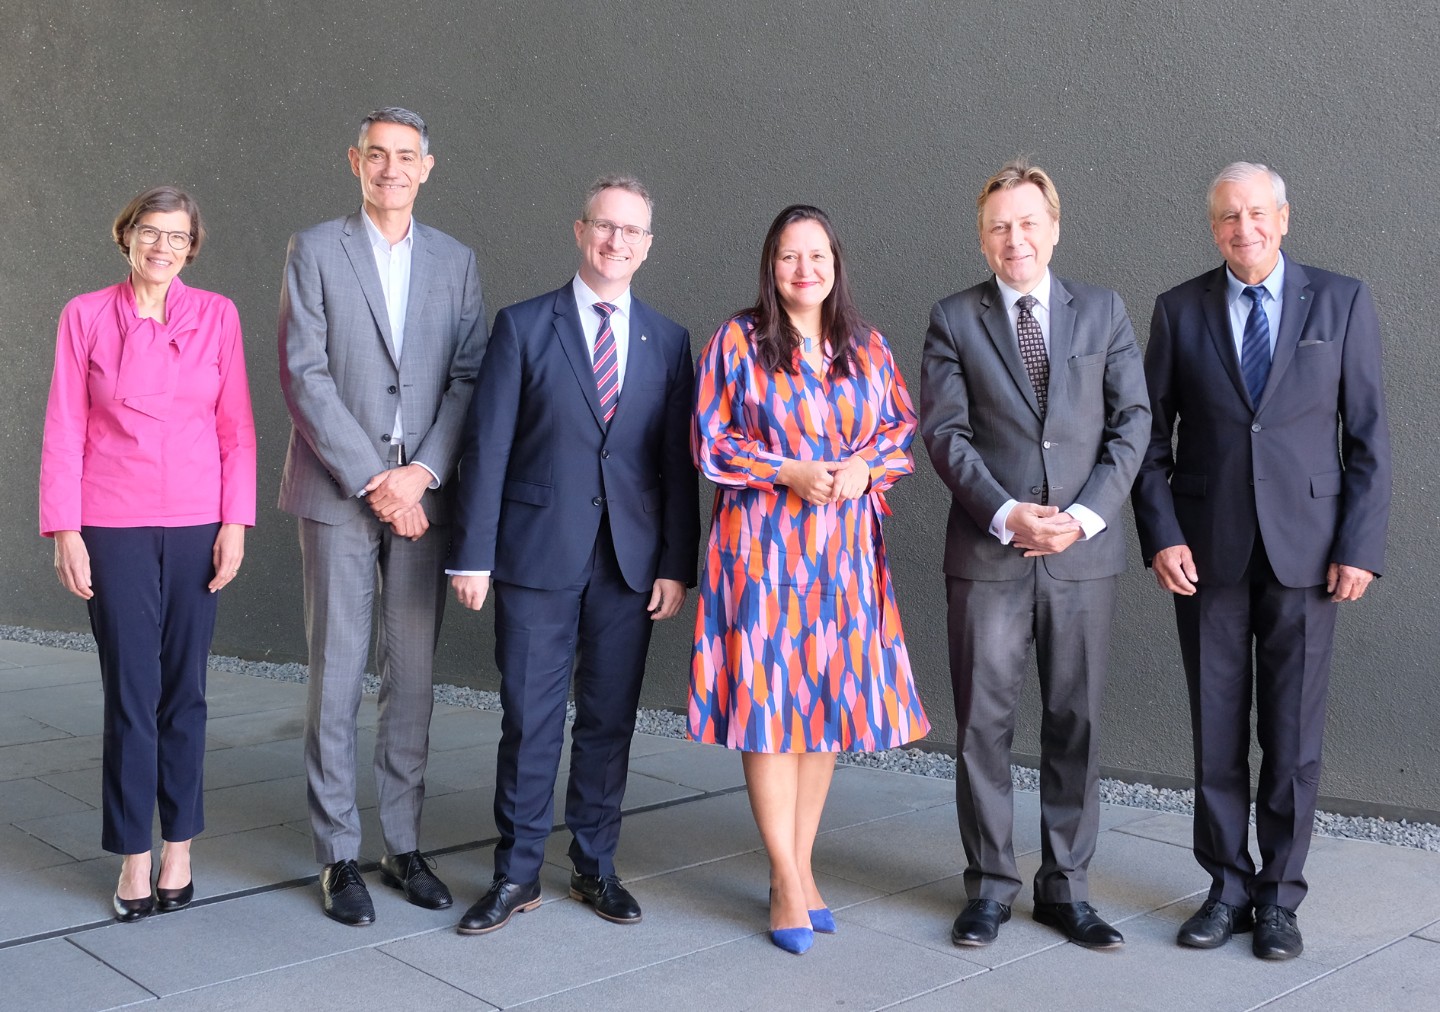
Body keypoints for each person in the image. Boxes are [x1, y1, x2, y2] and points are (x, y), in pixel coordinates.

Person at [1131, 162, 1391, 960]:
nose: (1242, 228)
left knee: (1292, 733)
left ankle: (1279, 896)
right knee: (1215, 731)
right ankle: (1227, 888)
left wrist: (1358, 547)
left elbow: (1368, 440)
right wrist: (1162, 534)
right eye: (1226, 217)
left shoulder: (1341, 301)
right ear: (1212, 227)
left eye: (1255, 213)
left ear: (1283, 217)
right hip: (1206, 557)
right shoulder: (1179, 310)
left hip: (1310, 558)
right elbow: (1146, 441)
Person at [447, 175, 698, 935]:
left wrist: (675, 562)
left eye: (631, 232)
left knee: (609, 720)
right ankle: (516, 874)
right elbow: (486, 447)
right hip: (533, 559)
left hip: (629, 564)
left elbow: (674, 464)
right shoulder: (524, 326)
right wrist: (472, 556)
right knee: (529, 720)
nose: (615, 241)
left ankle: (595, 866)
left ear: (648, 246)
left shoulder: (669, 339)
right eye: (604, 226)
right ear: (580, 230)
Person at [920, 161, 1150, 950]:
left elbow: (1134, 425)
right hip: (989, 555)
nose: (1013, 238)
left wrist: (1082, 517)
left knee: (1074, 721)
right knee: (983, 725)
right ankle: (987, 887)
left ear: (1053, 226)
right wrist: (1010, 513)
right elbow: (945, 436)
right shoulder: (954, 318)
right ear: (981, 240)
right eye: (997, 227)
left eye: (1026, 223)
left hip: (1083, 556)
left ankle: (1066, 889)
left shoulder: (1106, 311)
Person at [690, 204, 930, 955]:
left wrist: (864, 467)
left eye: (817, 256)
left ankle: (797, 864)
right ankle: (788, 880)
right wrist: (784, 469)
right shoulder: (737, 340)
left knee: (823, 709)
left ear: (835, 264)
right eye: (790, 257)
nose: (804, 269)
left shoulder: (866, 346)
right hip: (763, 552)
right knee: (769, 710)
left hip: (845, 557)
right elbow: (709, 438)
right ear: (771, 265)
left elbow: (900, 430)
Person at [277, 107, 488, 926]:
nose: (391, 168)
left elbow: (469, 376)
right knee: (335, 672)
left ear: (427, 167)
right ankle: (338, 855)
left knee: (413, 677)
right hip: (339, 491)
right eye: (377, 155)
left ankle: (402, 843)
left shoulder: (456, 261)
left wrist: (422, 474)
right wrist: (377, 480)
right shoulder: (314, 248)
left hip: (424, 494)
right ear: (355, 161)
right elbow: (304, 375)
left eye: (406, 157)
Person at [40, 185, 256, 922]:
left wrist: (237, 522)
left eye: (175, 236)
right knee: (132, 693)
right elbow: (65, 425)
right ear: (125, 235)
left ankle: (181, 847)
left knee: (186, 691)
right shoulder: (85, 316)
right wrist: (65, 529)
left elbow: (236, 428)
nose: (160, 246)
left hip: (199, 522)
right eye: (147, 232)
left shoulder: (218, 315)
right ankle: (135, 851)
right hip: (113, 523)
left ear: (192, 246)